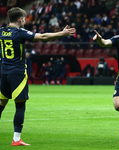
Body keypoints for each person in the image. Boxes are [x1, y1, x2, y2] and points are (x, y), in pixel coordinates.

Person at [0, 7, 76, 146]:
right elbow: (43, 37)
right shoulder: (20, 32)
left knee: (1, 104)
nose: (25, 20)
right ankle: (16, 139)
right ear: (20, 19)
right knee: (20, 105)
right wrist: (62, 33)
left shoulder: (1, 31)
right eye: (24, 18)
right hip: (17, 72)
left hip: (4, 72)